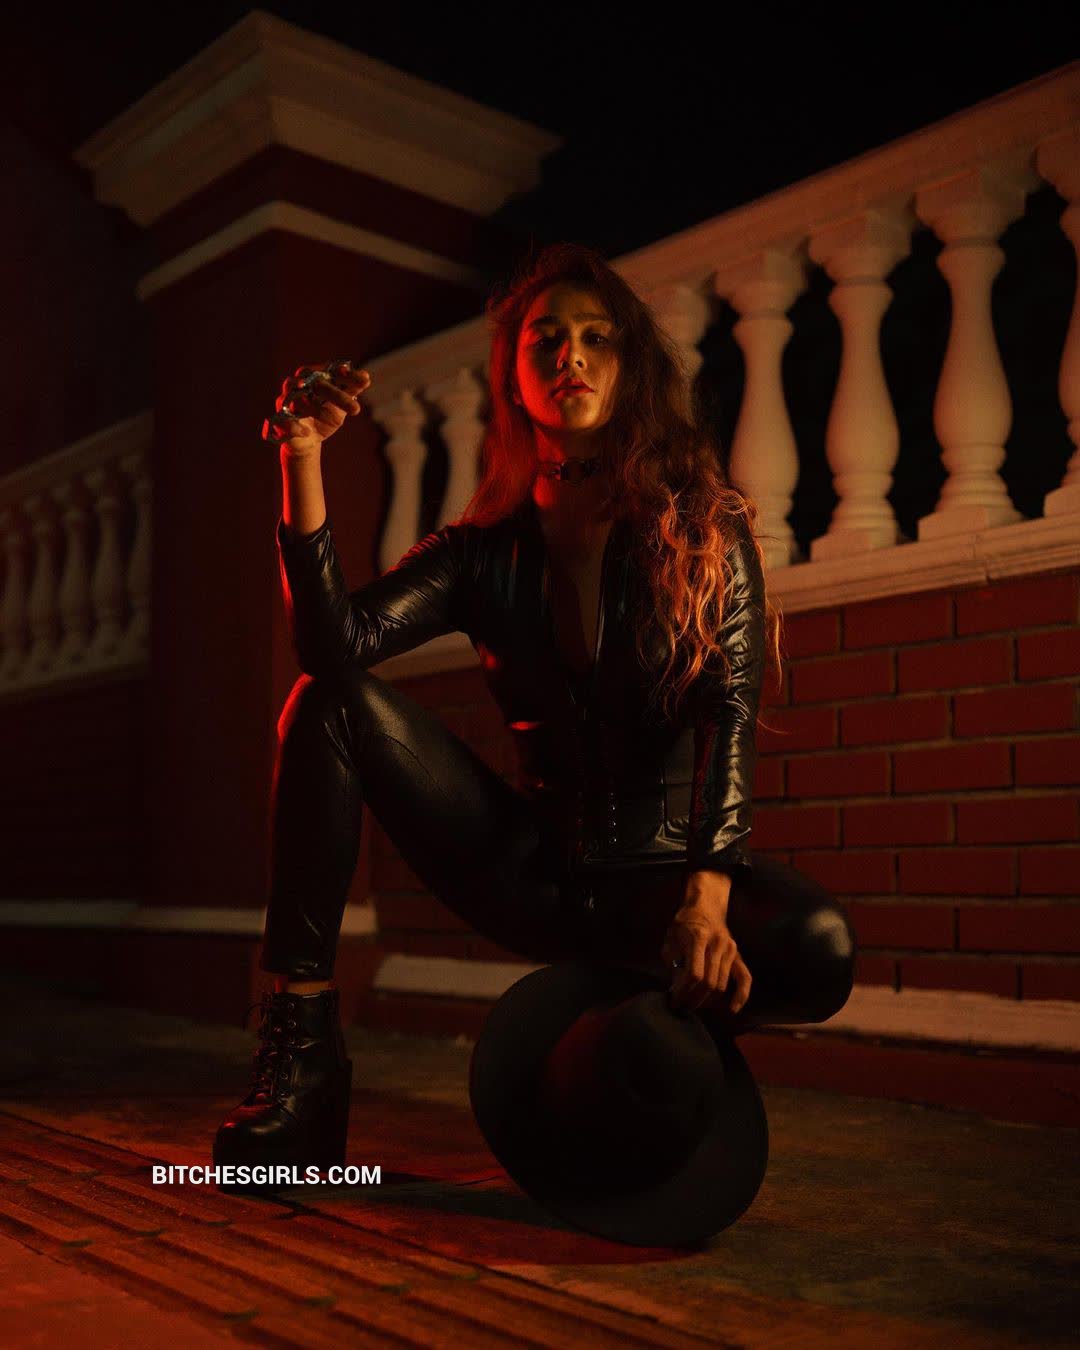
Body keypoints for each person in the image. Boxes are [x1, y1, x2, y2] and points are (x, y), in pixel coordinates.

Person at [213, 242, 856, 1176]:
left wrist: (705, 901)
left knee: (818, 947)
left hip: (661, 884)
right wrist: (302, 457)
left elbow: (730, 709)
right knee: (327, 700)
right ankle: (303, 1068)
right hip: (534, 872)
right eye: (545, 339)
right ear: (514, 377)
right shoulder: (481, 552)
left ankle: (647, 1028)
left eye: (597, 337)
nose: (571, 356)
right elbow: (332, 645)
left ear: (629, 366)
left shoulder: (702, 521)